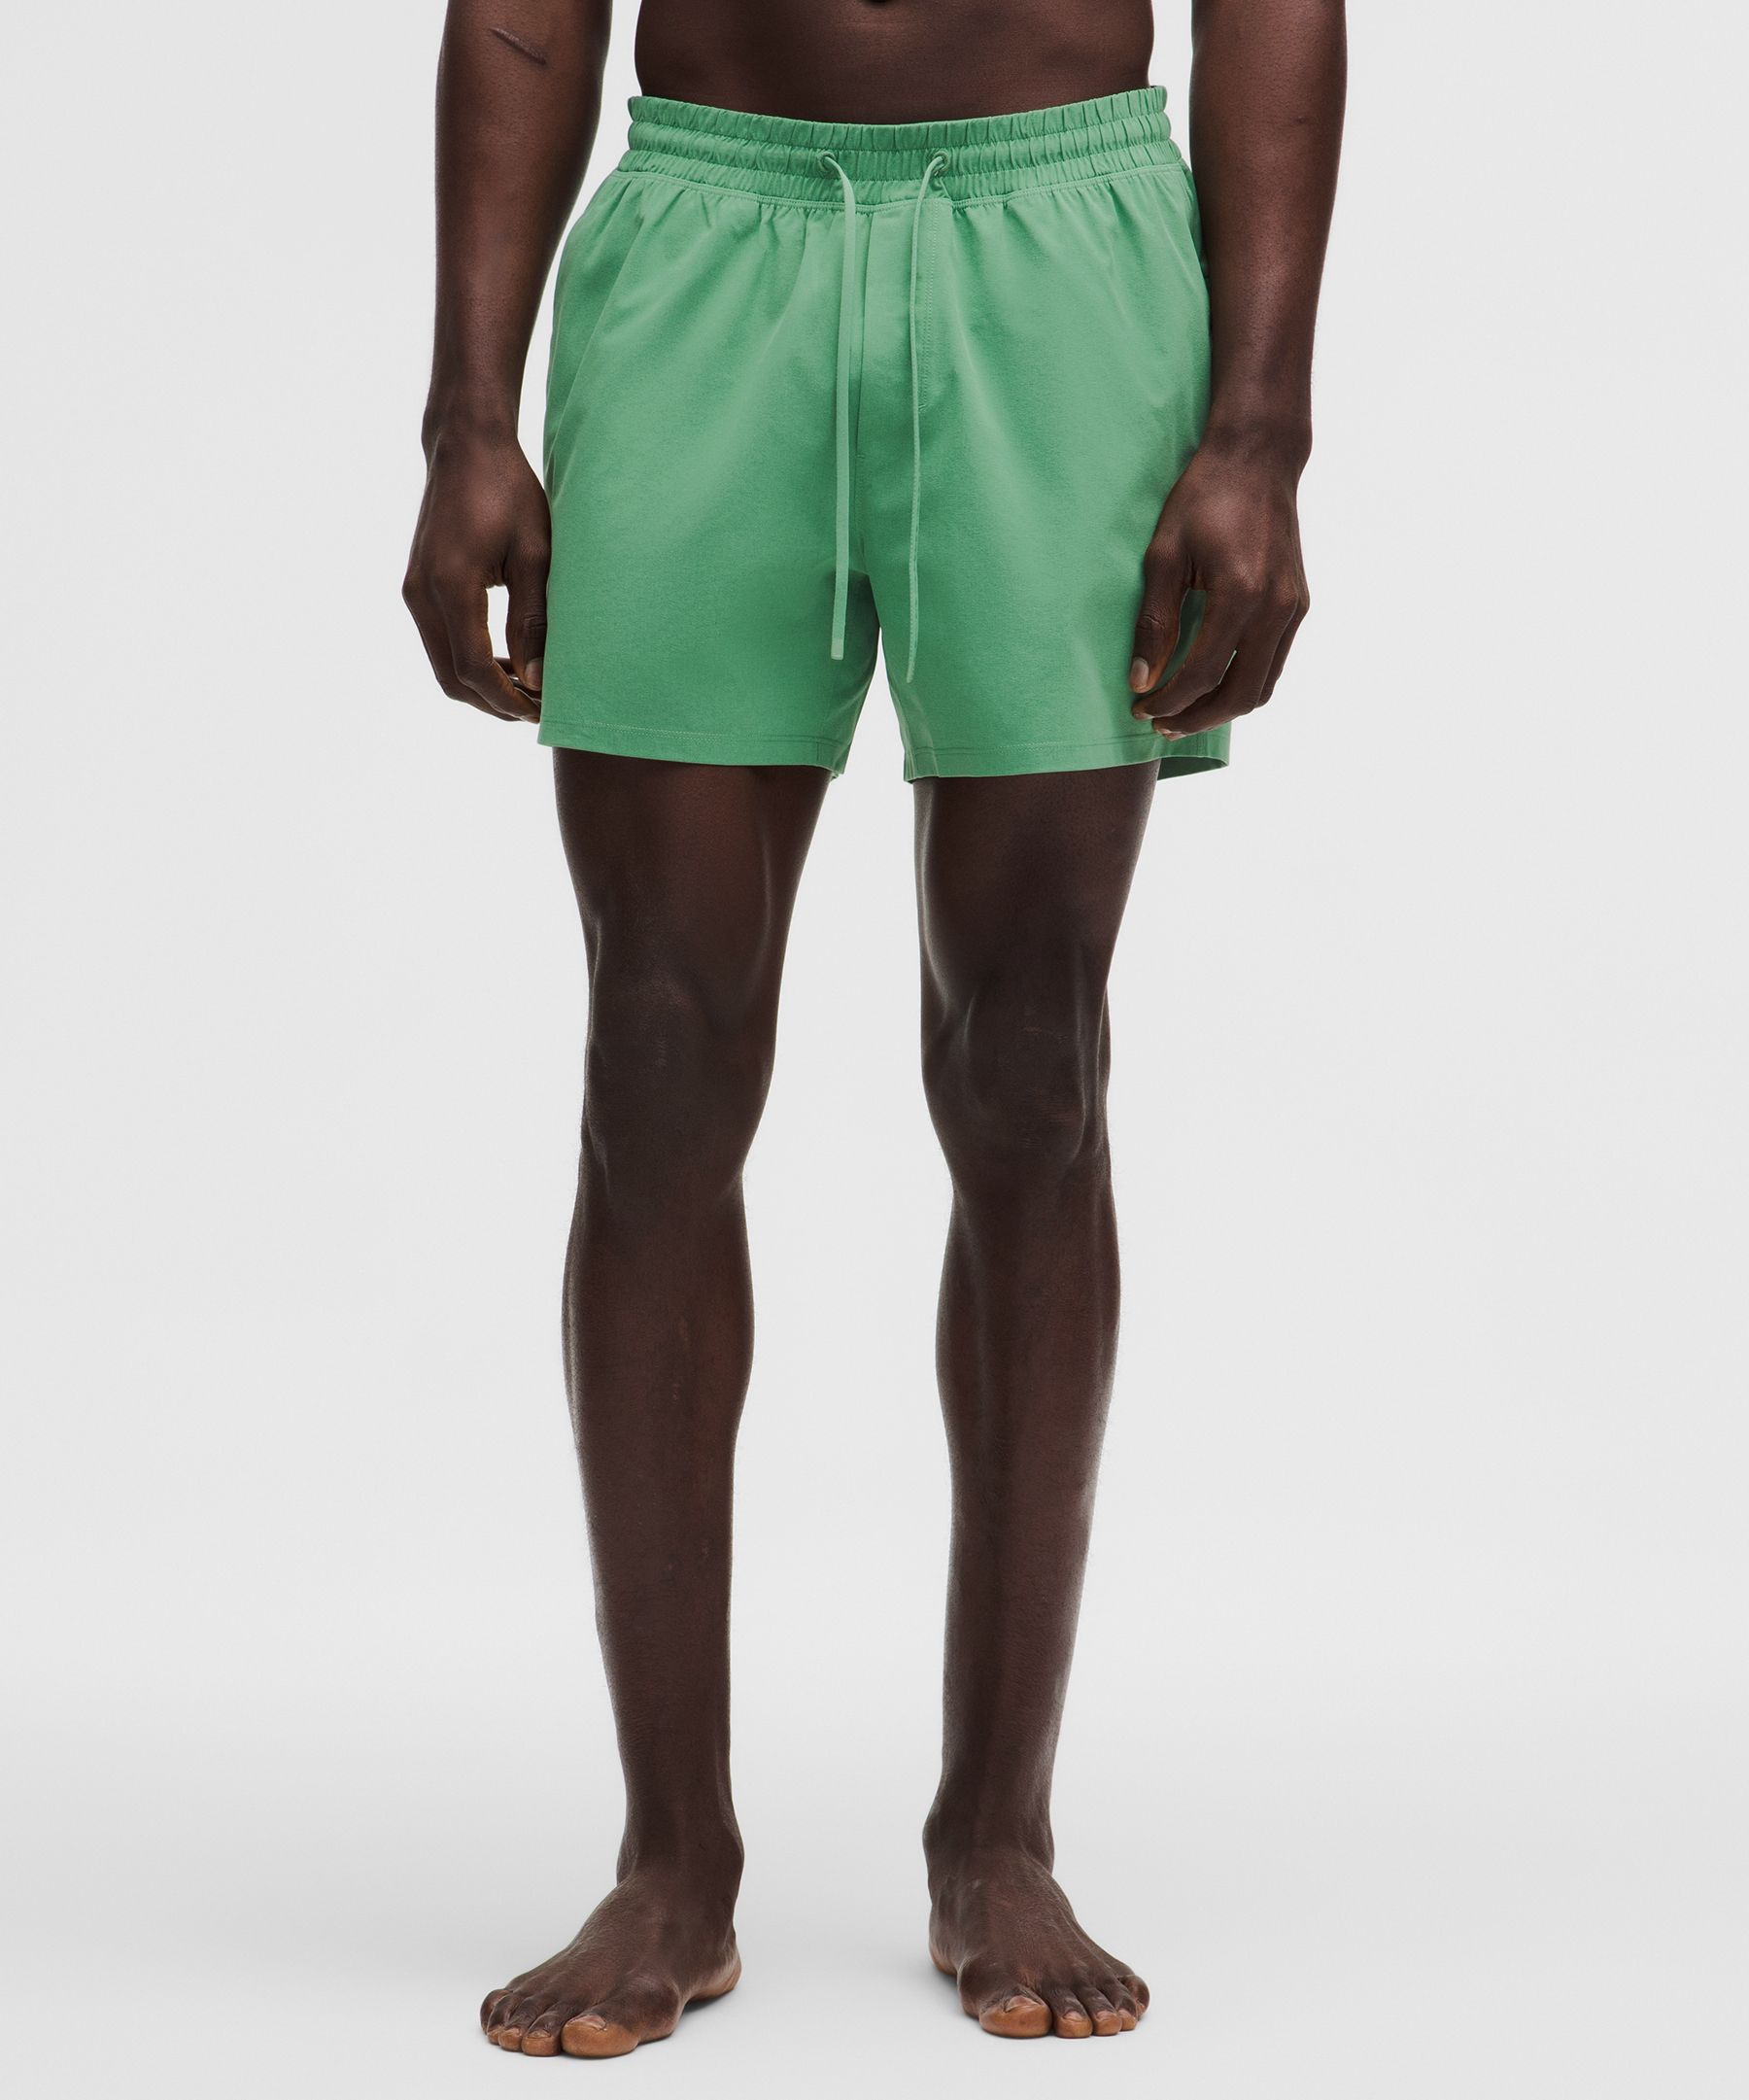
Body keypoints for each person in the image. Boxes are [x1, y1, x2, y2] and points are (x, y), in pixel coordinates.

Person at [403, 0, 1344, 2056]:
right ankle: (671, 1857)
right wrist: (467, 411)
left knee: (1032, 1069)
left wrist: (1260, 429)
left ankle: (998, 1833)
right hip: (708, 240)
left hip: (1066, 249)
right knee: (656, 1062)